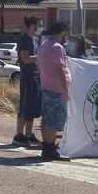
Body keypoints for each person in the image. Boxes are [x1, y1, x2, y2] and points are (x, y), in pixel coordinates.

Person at [36, 22, 71, 161]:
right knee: (53, 119)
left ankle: (47, 147)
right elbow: (59, 69)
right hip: (56, 89)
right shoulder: (57, 47)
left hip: (47, 86)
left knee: (47, 117)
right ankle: (50, 149)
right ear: (62, 32)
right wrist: (65, 90)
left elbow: (39, 65)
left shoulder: (44, 45)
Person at [13, 16, 42, 146]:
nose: (40, 27)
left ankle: (29, 134)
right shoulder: (24, 40)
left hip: (36, 77)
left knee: (33, 107)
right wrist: (41, 57)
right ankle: (19, 135)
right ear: (31, 25)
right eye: (38, 25)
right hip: (27, 78)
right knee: (25, 106)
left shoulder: (35, 40)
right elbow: (25, 59)